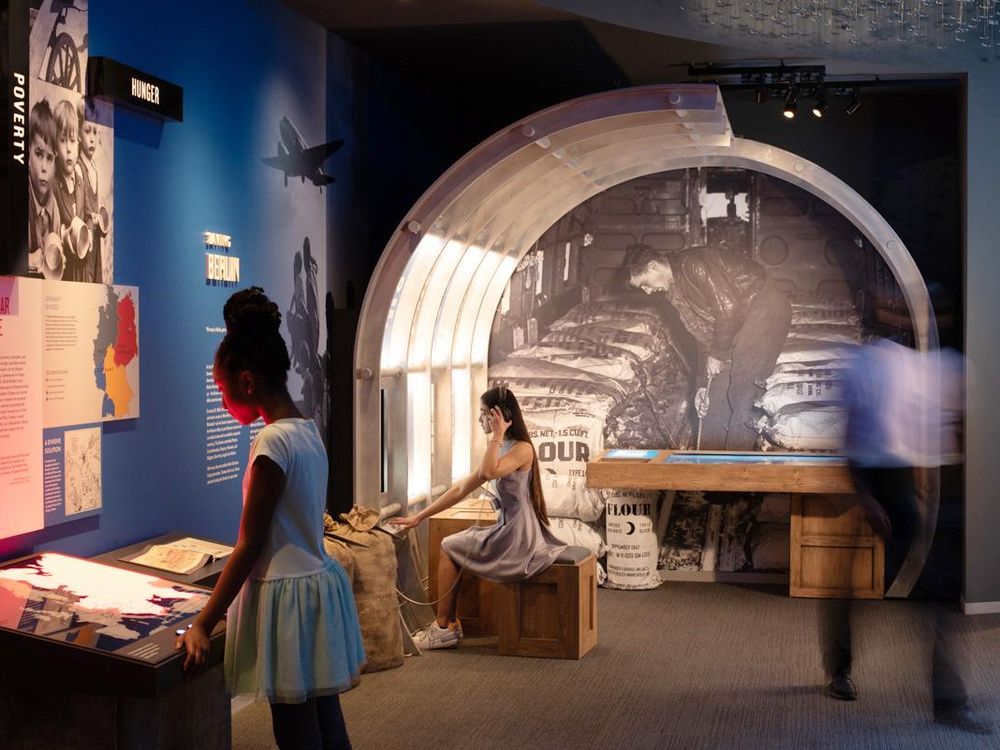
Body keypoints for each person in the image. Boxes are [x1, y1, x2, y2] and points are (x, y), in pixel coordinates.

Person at [178, 287, 365, 749]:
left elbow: (249, 544)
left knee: (295, 728)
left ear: (246, 382)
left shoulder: (271, 445)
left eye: (222, 391)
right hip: (314, 583)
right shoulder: (306, 429)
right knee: (324, 715)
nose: (222, 403)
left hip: (287, 600)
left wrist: (204, 621)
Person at [821, 338, 992, 735]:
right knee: (850, 586)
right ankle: (839, 669)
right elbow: (849, 435)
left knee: (936, 594)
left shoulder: (941, 366)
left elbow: (949, 431)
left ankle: (948, 699)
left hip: (907, 481)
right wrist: (864, 496)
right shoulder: (865, 363)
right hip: (872, 475)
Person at [389, 386, 566, 649]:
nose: (480, 420)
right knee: (454, 544)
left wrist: (496, 436)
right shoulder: (504, 446)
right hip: (509, 527)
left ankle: (441, 627)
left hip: (518, 535)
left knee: (449, 546)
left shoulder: (522, 449)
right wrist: (420, 517)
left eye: (484, 414)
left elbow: (488, 473)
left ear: (501, 415)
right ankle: (449, 622)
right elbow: (461, 488)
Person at [623, 243, 791, 450]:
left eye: (644, 285)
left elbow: (728, 309)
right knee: (713, 397)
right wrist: (703, 383)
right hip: (737, 323)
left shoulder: (692, 264)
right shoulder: (674, 293)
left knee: (744, 387)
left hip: (764, 309)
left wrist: (718, 354)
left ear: (653, 267)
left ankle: (734, 469)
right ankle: (710, 463)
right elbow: (701, 335)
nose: (648, 292)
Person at [51, 98, 87, 282]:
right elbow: (50, 230)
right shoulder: (52, 185)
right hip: (63, 275)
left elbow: (87, 212)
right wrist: (62, 236)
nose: (69, 148)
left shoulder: (81, 182)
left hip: (81, 273)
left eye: (73, 141)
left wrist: (88, 230)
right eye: (63, 140)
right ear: (55, 148)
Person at [26, 99, 57, 279]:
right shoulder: (20, 200)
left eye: (50, 158)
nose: (44, 167)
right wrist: (28, 260)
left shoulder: (54, 206)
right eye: (39, 154)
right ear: (28, 152)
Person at [77, 99, 102, 283]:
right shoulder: (78, 167)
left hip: (96, 242)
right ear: (78, 133)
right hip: (85, 240)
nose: (92, 138)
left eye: (95, 131)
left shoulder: (94, 170)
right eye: (87, 131)